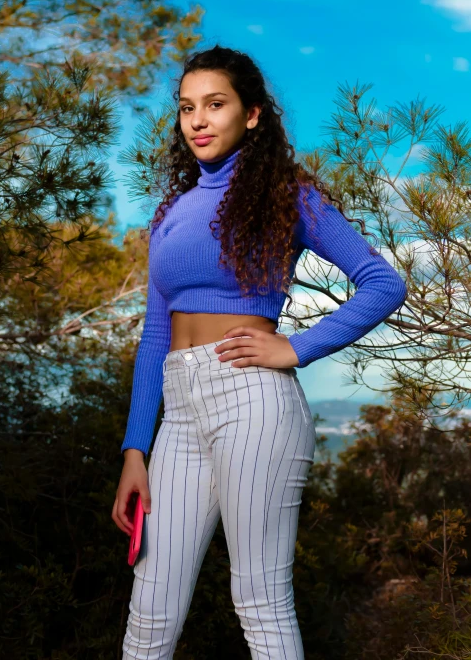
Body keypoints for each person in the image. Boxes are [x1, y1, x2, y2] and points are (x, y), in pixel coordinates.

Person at [113, 45, 408, 659]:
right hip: (180, 412)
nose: (198, 119)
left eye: (215, 105)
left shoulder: (287, 194)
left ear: (251, 115)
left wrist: (295, 349)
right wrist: (134, 449)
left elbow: (384, 284)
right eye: (187, 107)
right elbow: (155, 335)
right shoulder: (171, 213)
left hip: (253, 399)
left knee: (260, 600)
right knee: (150, 608)